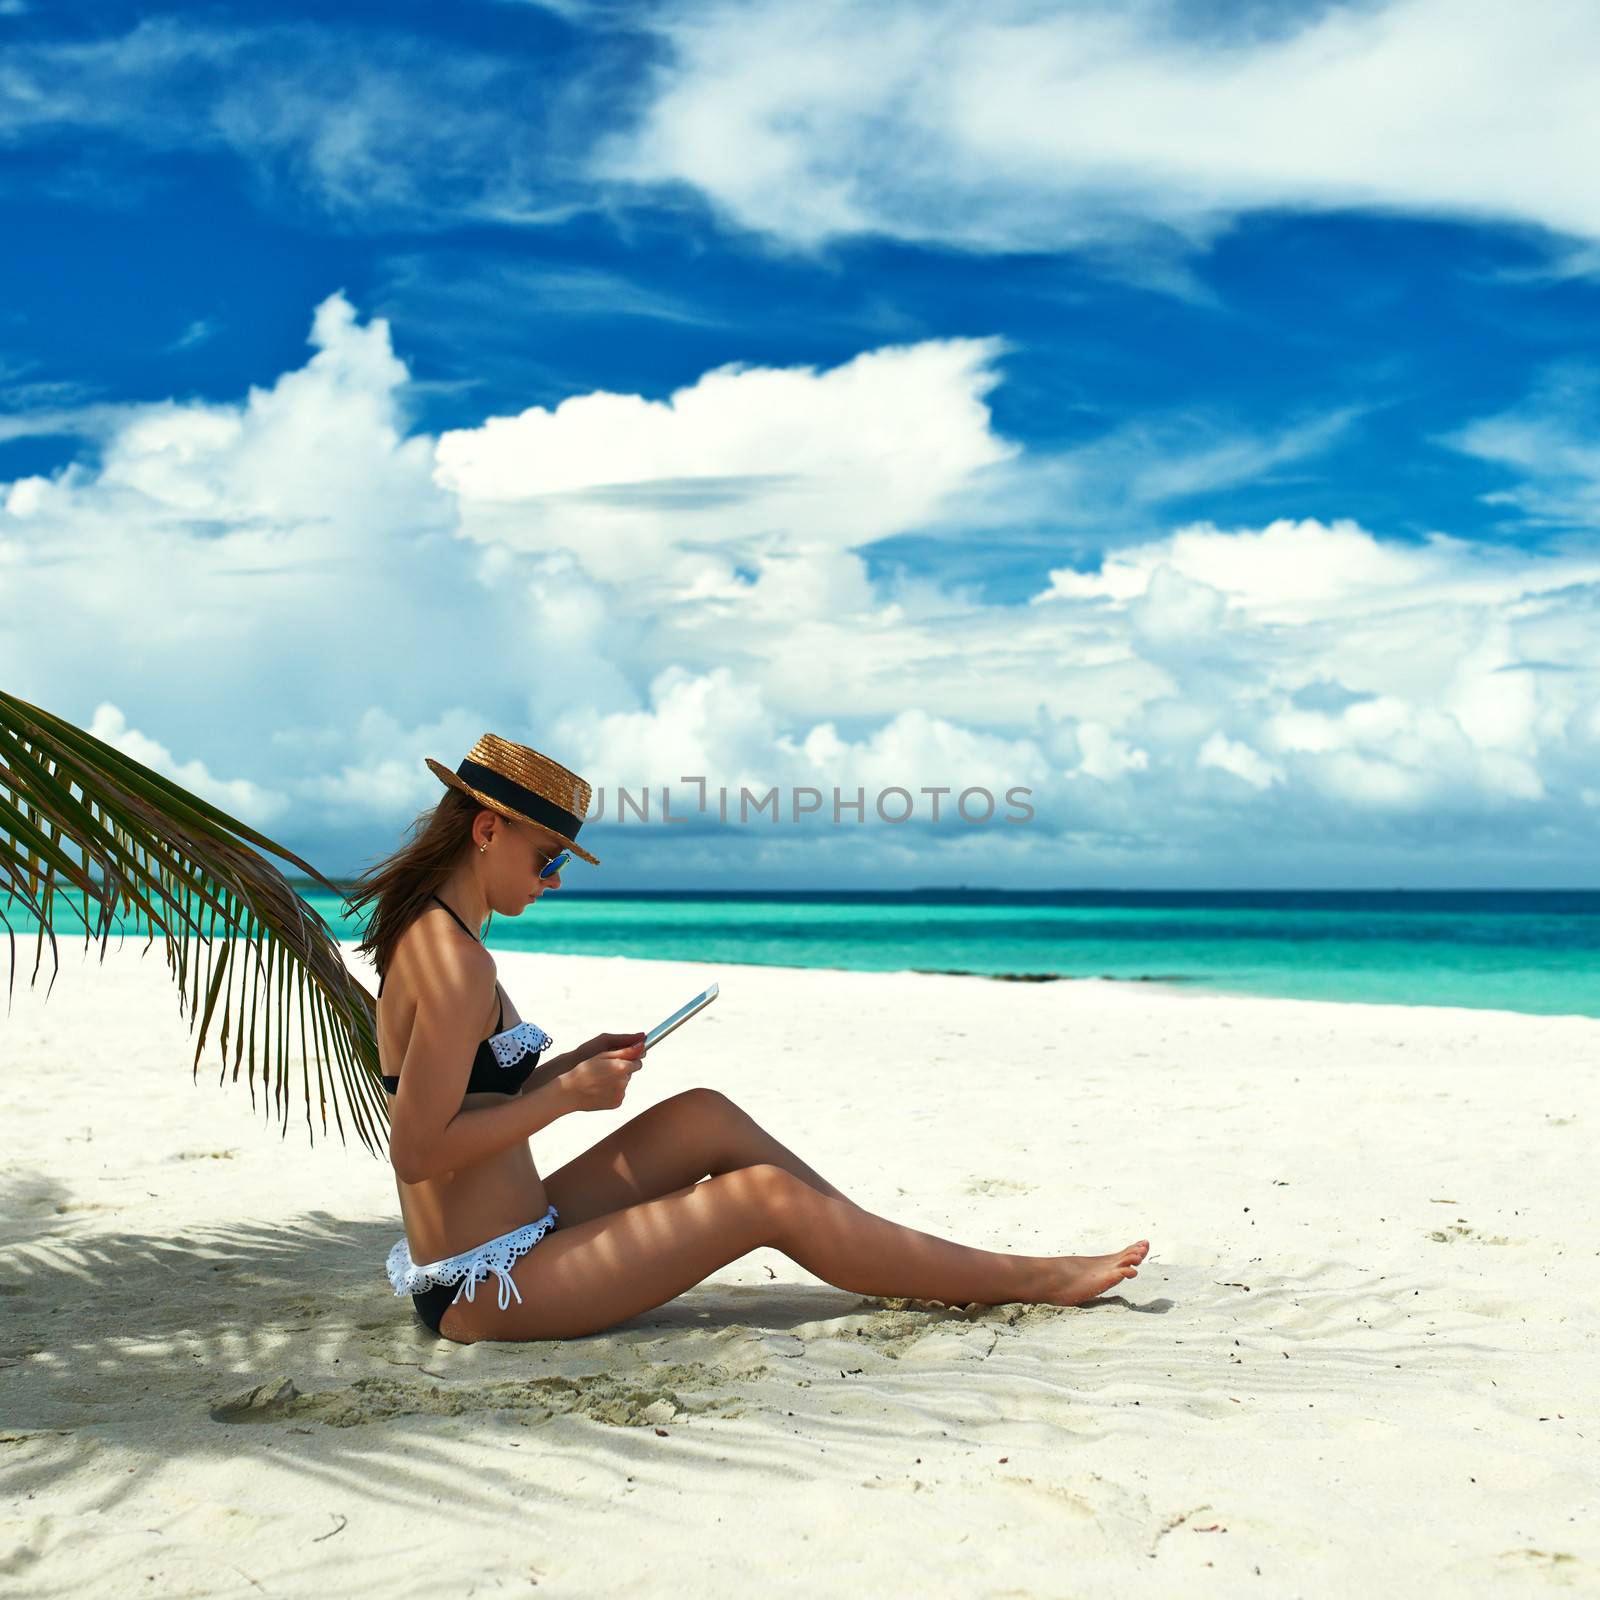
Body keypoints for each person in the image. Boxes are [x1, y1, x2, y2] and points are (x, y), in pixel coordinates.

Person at [347, 733, 1150, 1344]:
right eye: (548, 858)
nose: (553, 881)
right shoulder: (456, 964)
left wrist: (569, 1067)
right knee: (764, 1199)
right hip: (489, 1287)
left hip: (518, 1234)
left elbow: (461, 1098)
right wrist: (563, 1099)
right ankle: (1021, 1277)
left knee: (703, 1114)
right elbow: (418, 1150)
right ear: (488, 831)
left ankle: (883, 1249)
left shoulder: (440, 936)